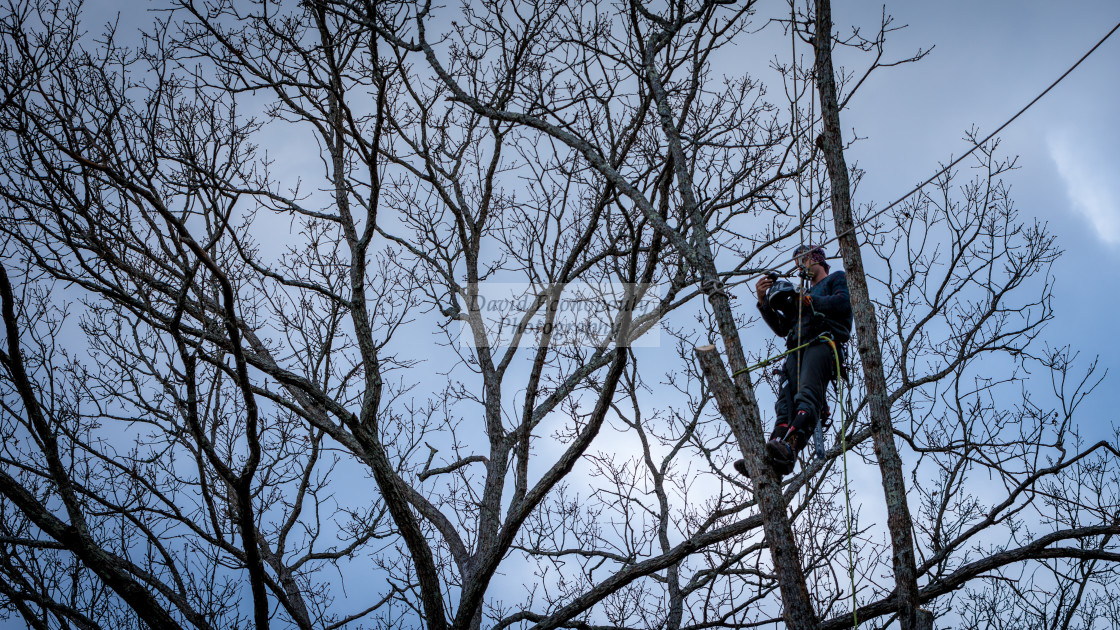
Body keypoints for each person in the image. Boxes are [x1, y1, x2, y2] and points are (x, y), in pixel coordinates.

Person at [736, 245, 852, 477]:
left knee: (807, 396)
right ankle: (770, 457)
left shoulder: (836, 279)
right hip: (796, 349)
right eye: (798, 263)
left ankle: (790, 447)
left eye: (804, 260)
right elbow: (781, 328)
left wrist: (810, 301)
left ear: (816, 259)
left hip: (821, 343)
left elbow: (843, 303)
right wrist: (763, 302)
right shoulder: (800, 297)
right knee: (784, 407)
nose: (801, 266)